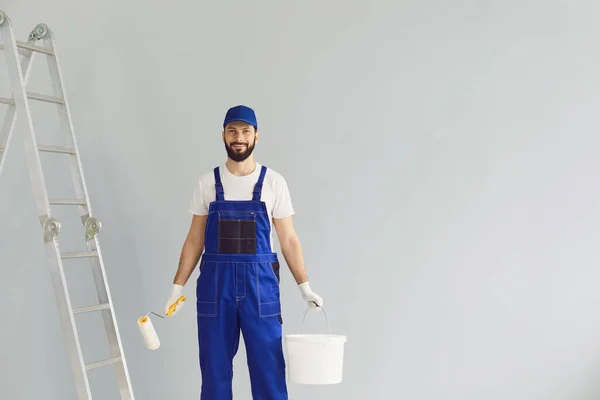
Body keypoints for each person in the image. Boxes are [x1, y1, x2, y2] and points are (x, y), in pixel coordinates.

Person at [163, 105, 323, 399]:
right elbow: (194, 239)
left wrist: (305, 286)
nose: (239, 137)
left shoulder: (274, 182)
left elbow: (288, 239)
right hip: (215, 288)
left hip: (260, 290)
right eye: (232, 131)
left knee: (268, 369)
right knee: (214, 371)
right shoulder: (206, 183)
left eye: (245, 131)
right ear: (223, 136)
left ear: (256, 136)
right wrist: (177, 286)